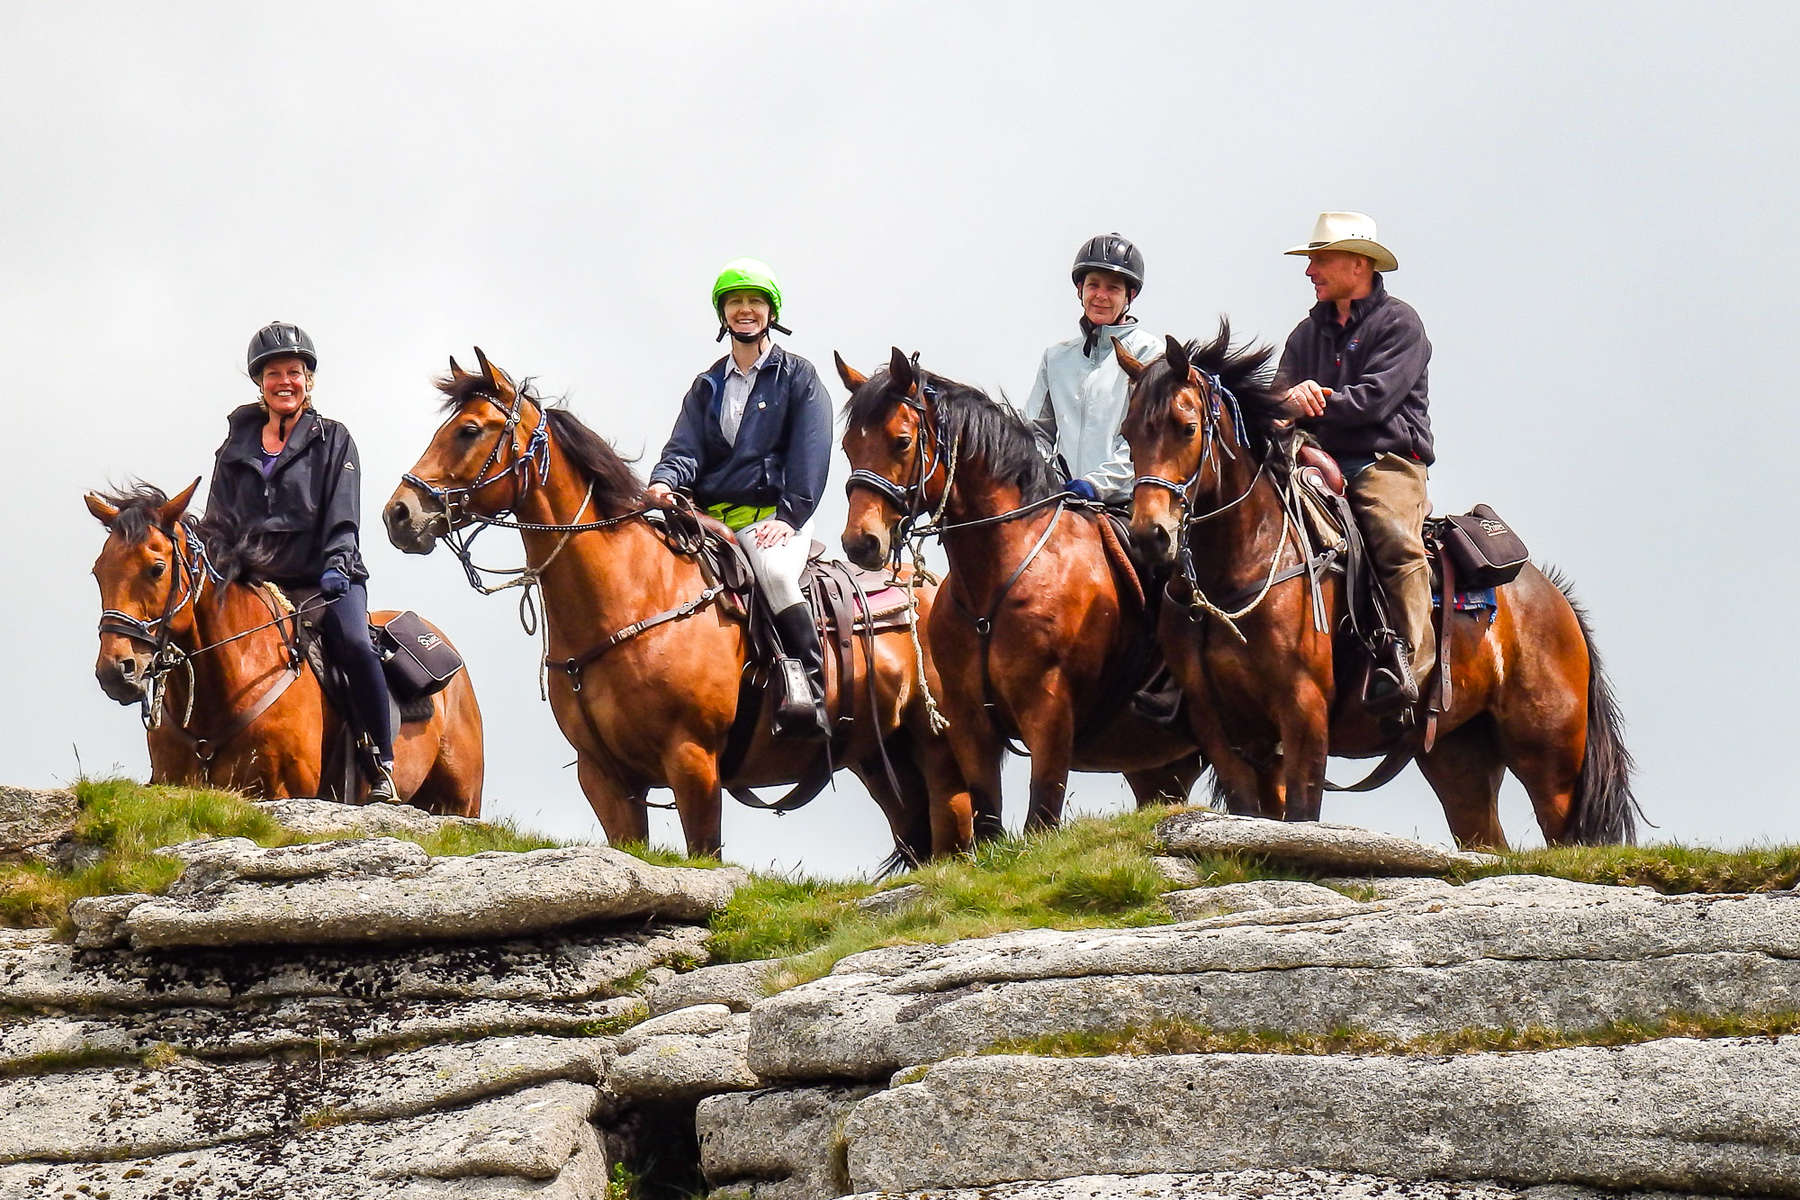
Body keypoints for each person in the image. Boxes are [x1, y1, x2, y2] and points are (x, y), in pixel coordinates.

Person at [205, 322, 398, 799]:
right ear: (259, 383)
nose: (285, 381)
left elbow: (342, 511)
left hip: (327, 577)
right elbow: (216, 522)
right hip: (259, 582)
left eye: (295, 371)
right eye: (274, 373)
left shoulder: (334, 439)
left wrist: (337, 561)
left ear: (309, 380)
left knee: (354, 642)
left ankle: (381, 761)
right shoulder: (232, 450)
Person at [644, 258, 834, 739]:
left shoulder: (799, 377)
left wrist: (790, 517)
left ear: (770, 312)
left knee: (772, 573)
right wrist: (664, 481)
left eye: (754, 302)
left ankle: (809, 689)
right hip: (711, 522)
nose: (745, 310)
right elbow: (684, 448)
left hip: (774, 518)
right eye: (735, 302)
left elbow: (811, 454)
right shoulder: (707, 384)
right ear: (722, 314)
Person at [1274, 212, 1435, 705]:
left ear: (1358, 264)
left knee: (1392, 538)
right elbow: (1275, 402)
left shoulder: (1400, 323)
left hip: (1386, 462)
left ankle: (1412, 662)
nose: (1310, 271)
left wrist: (1311, 400)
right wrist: (1292, 415)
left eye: (1320, 260)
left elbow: (1374, 401)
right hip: (1314, 461)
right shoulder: (1305, 334)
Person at [1027, 233, 1161, 507]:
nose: (1100, 296)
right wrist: (1041, 479)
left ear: (1129, 295)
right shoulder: (1056, 358)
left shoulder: (1151, 355)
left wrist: (1095, 485)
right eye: (1093, 285)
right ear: (1080, 290)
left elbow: (1150, 439)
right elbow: (1037, 432)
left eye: (1112, 288)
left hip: (1125, 506)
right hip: (1061, 501)